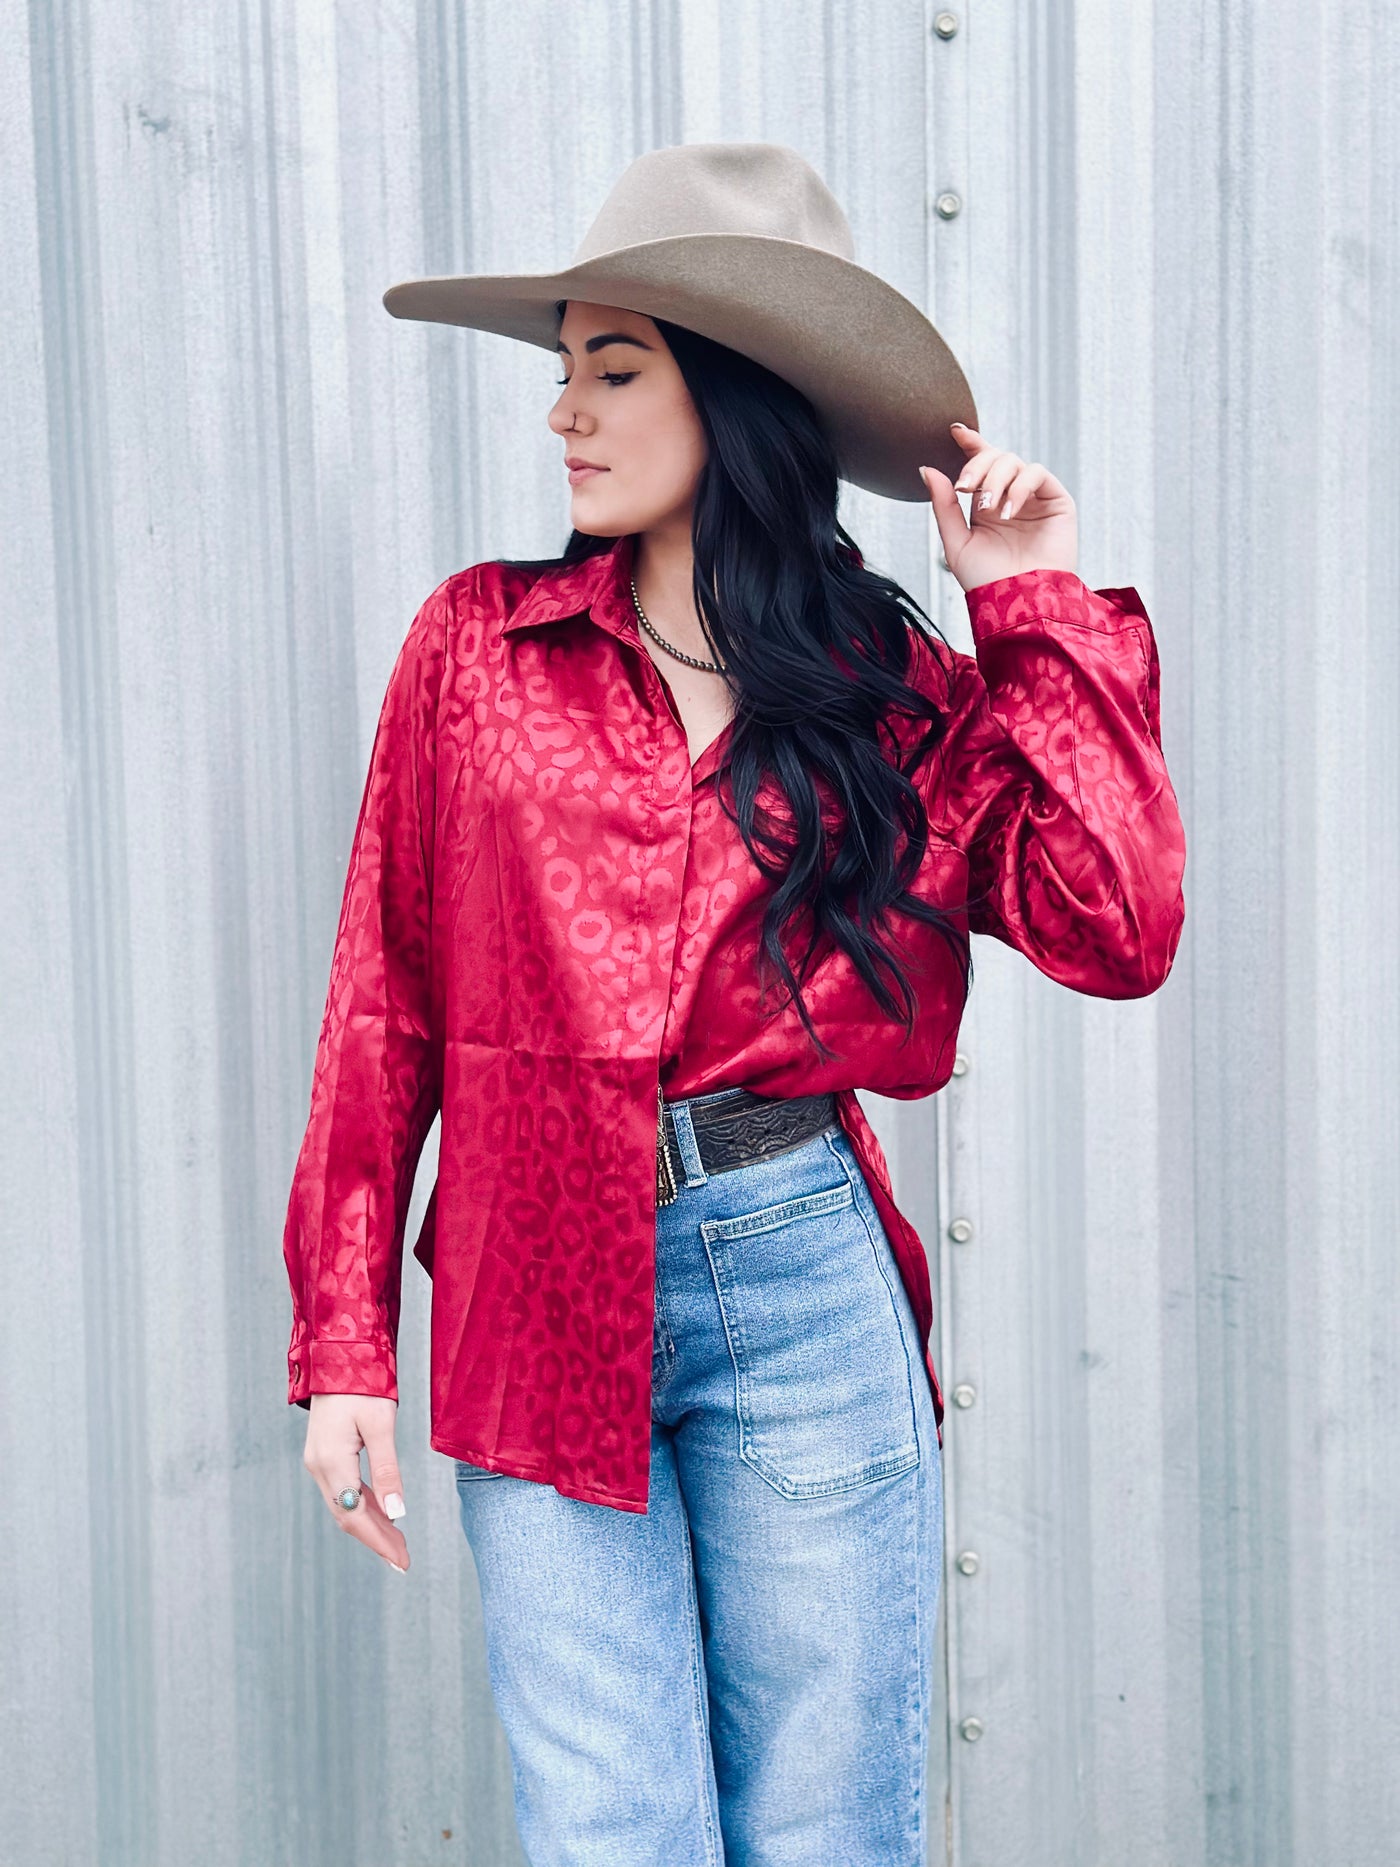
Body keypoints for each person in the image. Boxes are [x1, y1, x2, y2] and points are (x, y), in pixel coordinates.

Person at [282, 143, 1187, 1865]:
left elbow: (1116, 921)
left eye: (615, 369)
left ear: (743, 394)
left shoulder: (892, 686)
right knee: (612, 1829)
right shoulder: (476, 647)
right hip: (528, 1263)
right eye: (566, 370)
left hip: (794, 1264)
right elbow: (382, 995)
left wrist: (1034, 602)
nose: (565, 412)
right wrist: (340, 1340)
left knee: (826, 1832)